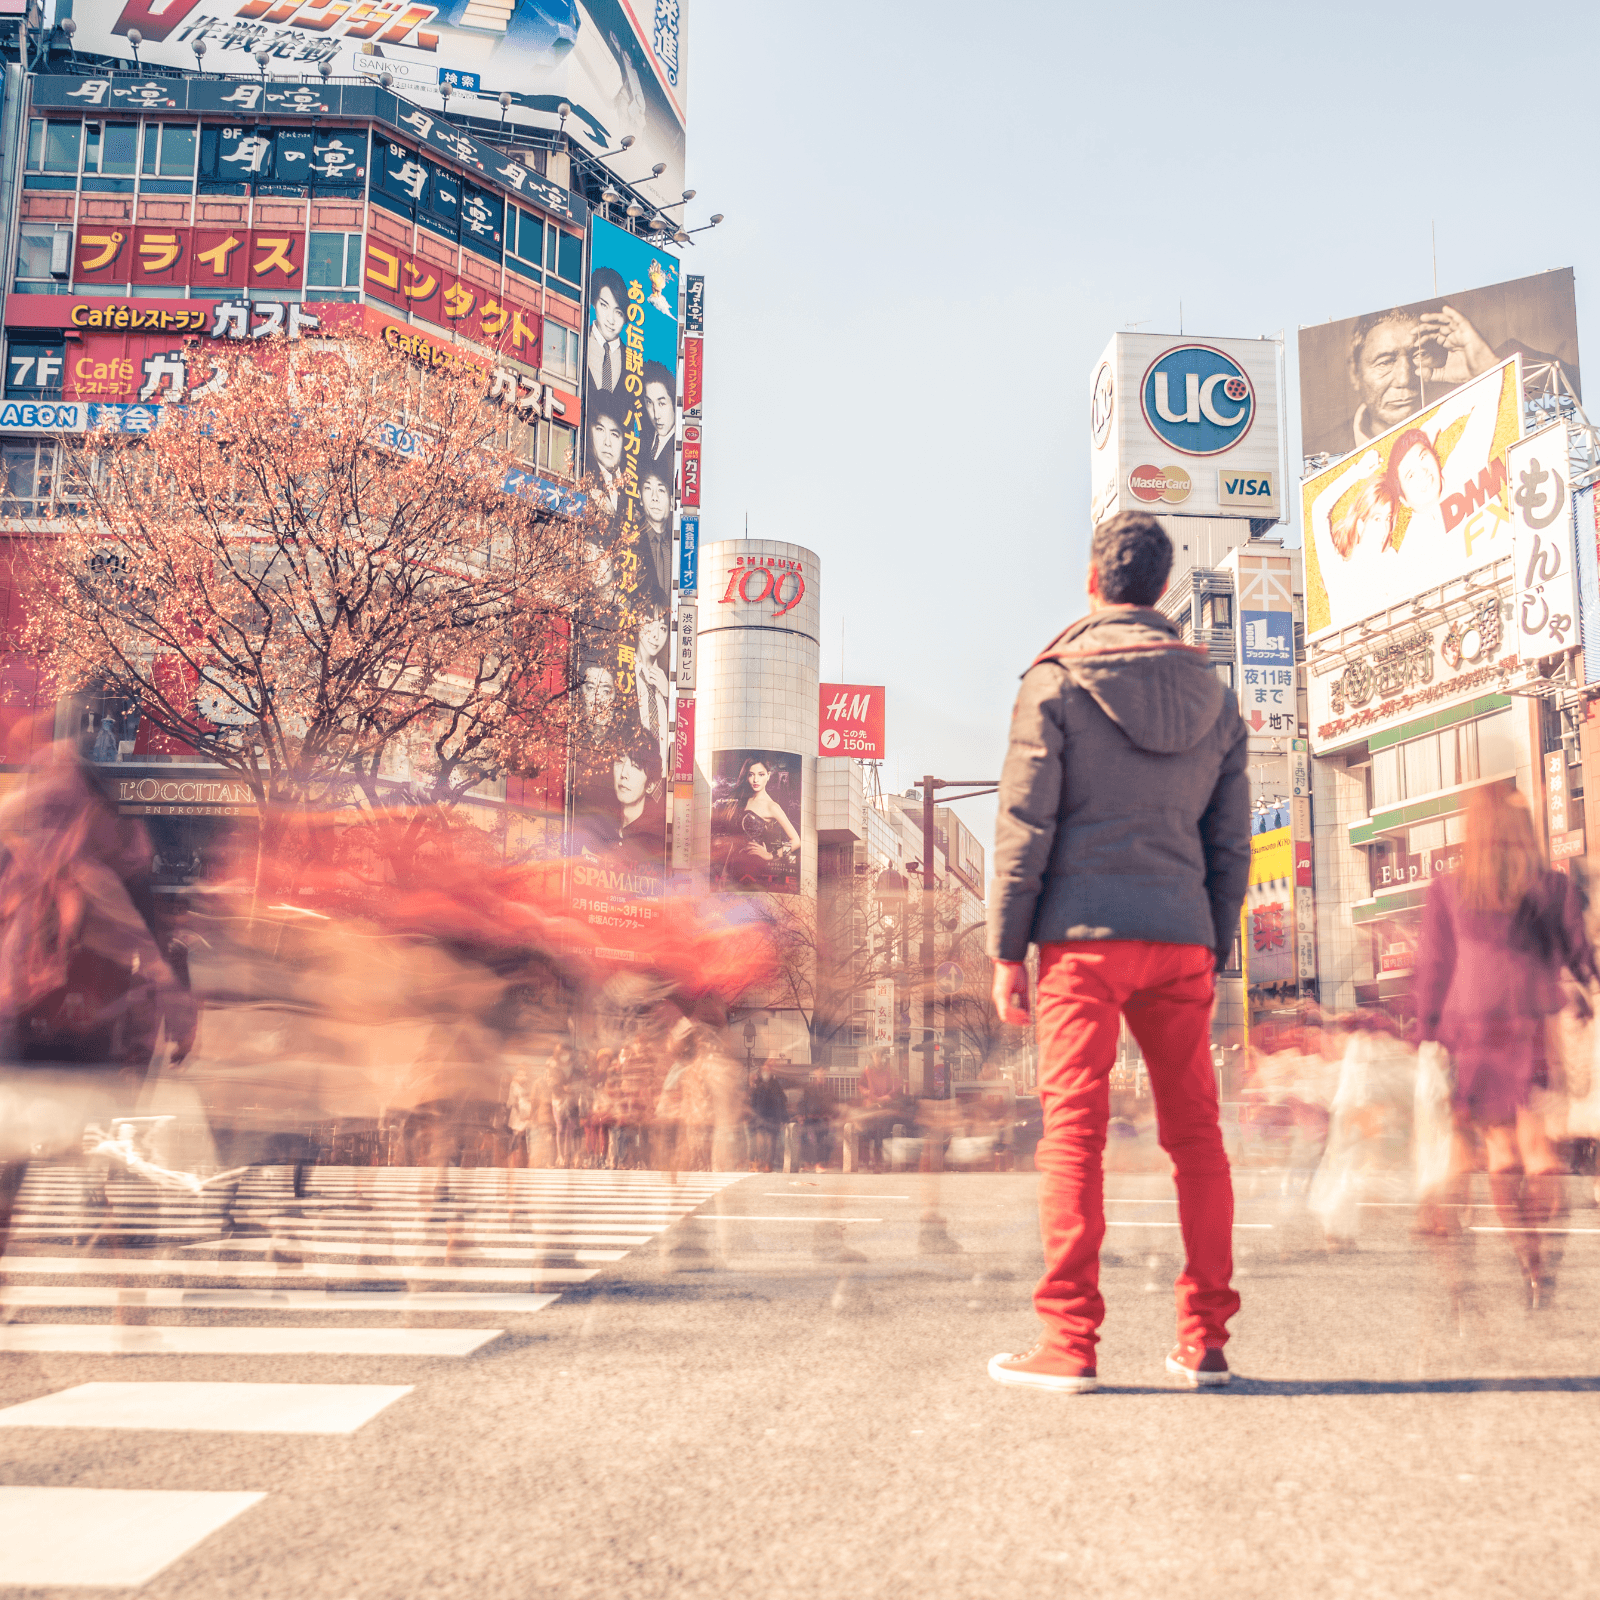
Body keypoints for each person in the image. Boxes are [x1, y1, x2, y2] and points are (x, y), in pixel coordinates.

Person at [985, 509, 1249, 1394]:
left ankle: (1070, 1344)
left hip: (1080, 940)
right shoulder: (1216, 696)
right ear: (1164, 589)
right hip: (1180, 937)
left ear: (1093, 581)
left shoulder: (1056, 681)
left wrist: (1005, 948)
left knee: (1074, 1136)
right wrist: (1212, 937)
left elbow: (1024, 820)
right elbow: (1231, 840)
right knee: (1197, 1138)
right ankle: (1205, 1338)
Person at [1413, 785, 1597, 1308]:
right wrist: (1585, 986)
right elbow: (1579, 953)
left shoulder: (1448, 890)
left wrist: (1425, 1032)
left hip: (1471, 1028)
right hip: (1531, 1022)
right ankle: (1540, 1270)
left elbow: (1434, 966)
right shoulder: (1552, 887)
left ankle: (1524, 1254)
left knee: (1499, 1153)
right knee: (1541, 1154)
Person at [711, 757, 801, 892]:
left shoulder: (772, 806)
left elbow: (796, 841)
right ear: (746, 776)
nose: (755, 780)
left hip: (754, 866)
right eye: (751, 775)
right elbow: (736, 841)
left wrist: (771, 855)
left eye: (761, 774)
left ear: (768, 776)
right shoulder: (742, 800)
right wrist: (724, 872)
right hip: (734, 866)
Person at [586, 266, 626, 394]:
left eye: (618, 312)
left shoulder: (632, 362)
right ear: (594, 303)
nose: (611, 319)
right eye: (604, 305)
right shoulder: (577, 338)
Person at [587, 395, 625, 516]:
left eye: (614, 434)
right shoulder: (582, 474)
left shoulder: (633, 488)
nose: (607, 442)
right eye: (600, 429)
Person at [642, 361, 676, 479]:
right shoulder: (642, 439)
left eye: (661, 403)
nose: (656, 415)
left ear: (674, 403)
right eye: (649, 403)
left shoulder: (679, 448)